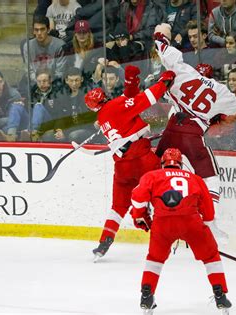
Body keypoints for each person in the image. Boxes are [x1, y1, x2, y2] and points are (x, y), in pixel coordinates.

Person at [153, 23, 236, 241]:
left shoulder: (182, 70)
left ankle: (155, 215)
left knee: (154, 173)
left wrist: (162, 31)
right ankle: (211, 227)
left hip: (171, 131)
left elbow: (160, 43)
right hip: (194, 135)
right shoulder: (222, 92)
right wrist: (215, 119)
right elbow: (235, 112)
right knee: (211, 180)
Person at [84, 65, 175, 261]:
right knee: (161, 194)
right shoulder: (115, 106)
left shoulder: (102, 118)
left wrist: (131, 82)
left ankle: (104, 243)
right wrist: (164, 83)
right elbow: (145, 99)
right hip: (142, 160)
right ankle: (165, 232)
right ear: (105, 98)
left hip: (122, 167)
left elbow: (130, 99)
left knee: (117, 206)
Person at [130, 148, 231, 313]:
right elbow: (209, 213)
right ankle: (220, 295)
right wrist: (198, 231)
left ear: (162, 163)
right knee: (211, 256)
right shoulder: (195, 178)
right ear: (181, 164)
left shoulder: (152, 176)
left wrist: (140, 216)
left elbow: (137, 198)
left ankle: (146, 294)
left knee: (155, 259)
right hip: (191, 222)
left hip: (162, 224)